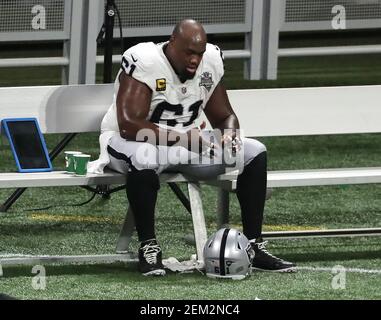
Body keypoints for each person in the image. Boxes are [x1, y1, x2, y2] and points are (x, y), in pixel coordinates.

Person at [89, 19, 295, 276]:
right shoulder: (146, 61)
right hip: (132, 142)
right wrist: (184, 140)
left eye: (199, 53)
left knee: (254, 152)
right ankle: (149, 247)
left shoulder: (210, 62)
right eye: (189, 52)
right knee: (143, 155)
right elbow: (130, 126)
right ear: (172, 43)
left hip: (185, 142)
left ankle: (254, 246)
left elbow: (224, 116)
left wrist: (230, 136)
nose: (195, 60)